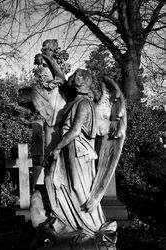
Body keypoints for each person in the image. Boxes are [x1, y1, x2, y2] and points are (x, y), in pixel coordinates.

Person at [43, 69, 115, 242]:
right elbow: (60, 78)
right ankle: (68, 221)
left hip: (79, 150)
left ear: (88, 82)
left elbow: (75, 131)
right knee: (56, 182)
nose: (77, 78)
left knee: (78, 187)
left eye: (82, 76)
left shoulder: (84, 103)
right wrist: (50, 60)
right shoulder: (72, 101)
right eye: (75, 75)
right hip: (69, 148)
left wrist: (57, 147)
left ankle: (93, 227)